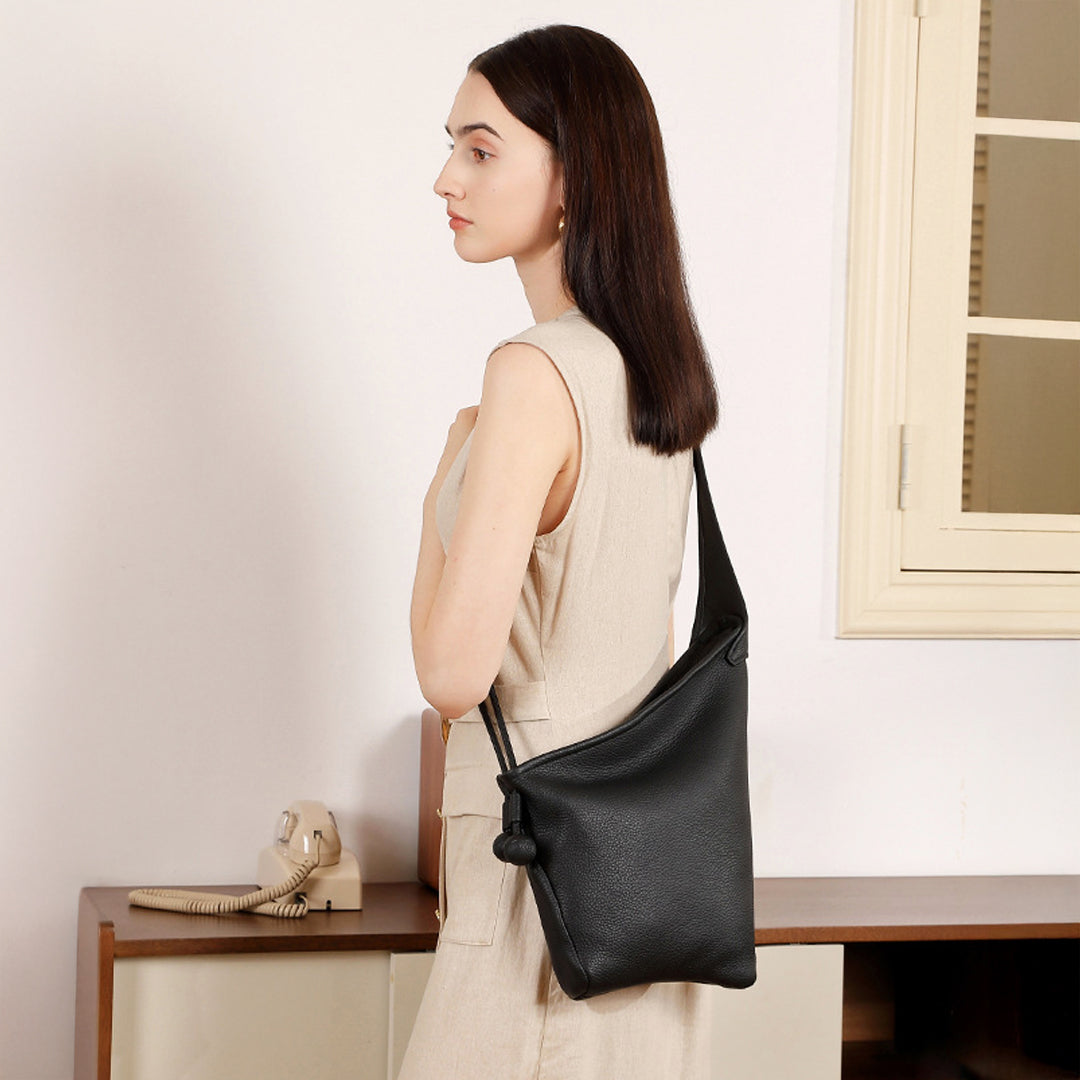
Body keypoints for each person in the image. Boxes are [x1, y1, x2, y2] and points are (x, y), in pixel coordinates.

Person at [401, 25, 720, 1080]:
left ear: (574, 177)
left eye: (482, 149)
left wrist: (441, 489)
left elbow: (452, 675)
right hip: (634, 876)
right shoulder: (654, 372)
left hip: (533, 876)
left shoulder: (531, 375)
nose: (447, 177)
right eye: (453, 144)